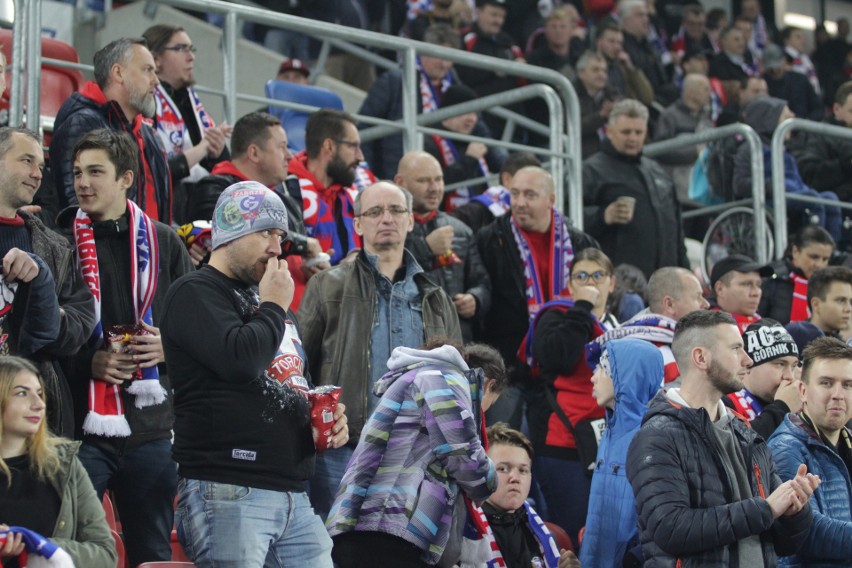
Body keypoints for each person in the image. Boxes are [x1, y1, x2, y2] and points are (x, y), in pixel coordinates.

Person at [160, 181, 348, 568]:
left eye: (280, 236)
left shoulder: (271, 303)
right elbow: (241, 361)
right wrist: (275, 305)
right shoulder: (194, 291)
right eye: (266, 233)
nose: (277, 249)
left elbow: (294, 382)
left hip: (293, 492)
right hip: (228, 485)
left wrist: (325, 421)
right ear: (230, 230)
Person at [59, 129, 193, 567]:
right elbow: (42, 334)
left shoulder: (165, 241)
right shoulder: (60, 241)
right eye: (78, 172)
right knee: (68, 549)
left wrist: (169, 350)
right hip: (80, 429)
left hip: (152, 430)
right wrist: (87, 361)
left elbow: (196, 327)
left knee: (151, 554)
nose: (83, 183)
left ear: (126, 178)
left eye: (96, 171)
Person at [299, 181, 462, 519]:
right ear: (357, 224)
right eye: (374, 212)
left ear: (410, 220)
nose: (386, 218)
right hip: (343, 451)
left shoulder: (436, 296)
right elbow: (299, 370)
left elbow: (455, 379)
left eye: (396, 210)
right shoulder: (326, 285)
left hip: (419, 455)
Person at [627, 310, 818, 565]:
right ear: (701, 357)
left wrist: (794, 512)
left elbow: (783, 544)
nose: (747, 360)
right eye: (736, 348)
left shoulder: (745, 432)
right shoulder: (657, 436)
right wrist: (767, 509)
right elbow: (670, 529)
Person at [326, 340, 502, 568]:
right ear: (487, 386)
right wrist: (490, 482)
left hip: (372, 527)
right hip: (387, 529)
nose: (480, 414)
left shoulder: (418, 376)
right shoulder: (442, 376)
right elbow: (464, 456)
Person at [0, 127, 95, 437]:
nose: (37, 174)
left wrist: (46, 307)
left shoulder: (54, 248)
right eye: (27, 160)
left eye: (41, 165)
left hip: (37, 422)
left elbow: (80, 323)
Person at [522, 247, 618, 547]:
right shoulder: (556, 313)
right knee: (570, 535)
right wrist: (581, 309)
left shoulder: (620, 325)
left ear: (612, 283)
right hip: (562, 444)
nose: (591, 282)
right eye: (582, 276)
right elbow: (557, 357)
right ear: (571, 284)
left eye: (598, 275)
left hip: (607, 447)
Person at [189, 111, 330, 308]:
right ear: (254, 153)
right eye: (282, 147)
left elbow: (290, 259)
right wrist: (304, 244)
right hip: (251, 314)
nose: (290, 156)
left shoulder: (286, 201)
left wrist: (311, 265)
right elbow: (226, 235)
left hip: (298, 319)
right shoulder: (216, 188)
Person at [476, 166, 598, 382]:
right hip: (508, 371)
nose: (520, 202)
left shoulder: (581, 243)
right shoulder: (489, 240)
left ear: (550, 199)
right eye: (514, 194)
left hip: (567, 366)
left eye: (530, 195)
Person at [0, 357, 116, 568]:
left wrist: (44, 548)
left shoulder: (65, 464)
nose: (38, 404)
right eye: (21, 393)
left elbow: (105, 554)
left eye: (39, 393)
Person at [50, 37, 172, 223]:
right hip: (108, 249)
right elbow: (77, 209)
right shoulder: (82, 124)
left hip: (149, 248)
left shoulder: (149, 134)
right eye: (147, 70)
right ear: (118, 73)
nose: (156, 81)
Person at [768, 337, 852, 566]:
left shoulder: (848, 442)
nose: (838, 394)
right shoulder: (785, 447)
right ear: (803, 390)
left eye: (848, 384)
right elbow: (809, 532)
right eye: (826, 383)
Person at [583, 98, 689, 279]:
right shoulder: (590, 170)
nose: (632, 138)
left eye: (638, 132)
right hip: (617, 283)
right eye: (626, 132)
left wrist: (684, 270)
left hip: (664, 282)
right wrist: (602, 216)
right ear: (609, 131)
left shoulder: (657, 171)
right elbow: (567, 220)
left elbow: (676, 231)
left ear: (645, 132)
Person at [581, 338, 663, 568]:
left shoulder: (651, 438)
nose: (593, 376)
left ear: (628, 377)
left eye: (604, 369)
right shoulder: (611, 432)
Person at [396, 151, 491, 342]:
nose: (435, 188)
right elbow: (385, 278)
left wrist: (476, 299)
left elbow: (482, 282)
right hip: (410, 341)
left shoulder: (461, 230)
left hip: (458, 341)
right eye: (424, 181)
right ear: (400, 183)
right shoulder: (389, 228)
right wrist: (426, 248)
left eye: (439, 180)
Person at [142, 24, 232, 223]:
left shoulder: (191, 101)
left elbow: (222, 166)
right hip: (164, 210)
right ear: (156, 59)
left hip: (200, 206)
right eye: (181, 48)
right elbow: (153, 172)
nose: (191, 56)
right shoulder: (144, 101)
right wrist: (202, 149)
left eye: (191, 49)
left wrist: (217, 151)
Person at [359, 24, 462, 180]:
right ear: (423, 51)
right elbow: (366, 127)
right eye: (439, 56)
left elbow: (478, 129)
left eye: (450, 58)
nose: (444, 64)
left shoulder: (456, 88)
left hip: (439, 178)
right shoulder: (395, 81)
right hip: (393, 173)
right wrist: (368, 175)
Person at [733, 97, 842, 244]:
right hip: (769, 200)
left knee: (830, 198)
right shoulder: (750, 148)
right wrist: (773, 185)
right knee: (811, 200)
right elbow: (739, 184)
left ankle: (832, 250)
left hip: (794, 196)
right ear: (768, 120)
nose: (792, 117)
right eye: (785, 116)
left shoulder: (785, 151)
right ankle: (810, 247)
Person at [480, 423, 581, 568]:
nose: (515, 477)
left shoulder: (539, 534)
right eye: (502, 468)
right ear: (481, 472)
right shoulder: (460, 535)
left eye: (523, 470)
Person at [588, 265, 709, 385]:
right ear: (670, 304)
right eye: (698, 297)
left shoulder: (668, 340)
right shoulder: (648, 353)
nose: (706, 304)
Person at [286, 109, 375, 266]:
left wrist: (357, 258)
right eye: (353, 146)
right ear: (329, 146)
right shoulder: (286, 189)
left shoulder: (360, 187)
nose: (360, 157)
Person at [422, 84, 506, 207]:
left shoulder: (475, 140)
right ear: (447, 112)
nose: (471, 118)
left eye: (474, 113)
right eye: (465, 112)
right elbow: (432, 187)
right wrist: (469, 160)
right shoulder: (428, 142)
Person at [456, 0, 526, 138]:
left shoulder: (509, 44)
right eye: (494, 14)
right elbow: (459, 75)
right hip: (477, 117)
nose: (498, 21)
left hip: (512, 120)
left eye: (501, 16)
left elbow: (524, 82)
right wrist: (493, 70)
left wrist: (521, 70)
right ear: (479, 11)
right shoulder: (464, 38)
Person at [725, 320, 802, 440]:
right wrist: (782, 407)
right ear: (748, 365)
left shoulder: (798, 405)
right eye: (780, 364)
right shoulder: (725, 402)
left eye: (793, 366)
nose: (789, 376)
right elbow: (738, 446)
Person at [653, 73, 714, 201]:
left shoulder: (706, 118)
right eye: (706, 89)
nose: (710, 94)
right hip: (676, 191)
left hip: (702, 190)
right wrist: (694, 152)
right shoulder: (670, 116)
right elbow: (660, 151)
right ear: (691, 92)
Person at [791, 80, 852, 203]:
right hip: (838, 205)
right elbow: (809, 175)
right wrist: (846, 164)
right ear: (836, 109)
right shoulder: (819, 135)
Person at [760, 225, 835, 325]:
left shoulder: (830, 287)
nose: (819, 265)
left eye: (825, 259)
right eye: (814, 257)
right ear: (795, 251)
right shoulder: (772, 279)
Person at [451, 151, 541, 234]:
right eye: (529, 181)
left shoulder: (538, 213)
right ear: (507, 179)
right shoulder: (479, 209)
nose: (535, 188)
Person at [619, 0, 678, 105]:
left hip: (661, 95)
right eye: (640, 15)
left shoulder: (648, 44)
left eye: (646, 15)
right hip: (643, 100)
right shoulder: (621, 45)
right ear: (625, 19)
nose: (646, 19)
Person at [786, 266, 852, 354]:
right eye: (840, 301)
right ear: (816, 304)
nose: (849, 309)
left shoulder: (842, 345)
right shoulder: (793, 338)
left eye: (850, 302)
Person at [594, 20, 654, 107]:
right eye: (611, 41)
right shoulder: (590, 67)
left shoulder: (623, 67)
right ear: (599, 43)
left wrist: (631, 69)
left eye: (619, 43)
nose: (617, 47)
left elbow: (647, 97)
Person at [710, 254, 773, 332]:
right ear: (720, 289)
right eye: (747, 284)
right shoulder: (706, 328)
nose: (756, 293)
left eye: (758, 285)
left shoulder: (764, 324)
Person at [573, 51, 618, 159]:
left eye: (604, 71)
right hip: (583, 157)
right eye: (595, 70)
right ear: (581, 73)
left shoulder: (612, 95)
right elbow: (572, 128)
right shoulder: (570, 97)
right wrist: (601, 116)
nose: (601, 75)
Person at [763, 43, 824, 122]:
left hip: (803, 127)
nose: (774, 71)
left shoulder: (800, 80)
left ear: (784, 60)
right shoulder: (762, 84)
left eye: (777, 67)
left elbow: (817, 108)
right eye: (771, 69)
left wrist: (806, 122)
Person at [781, 26, 822, 96]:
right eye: (798, 37)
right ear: (786, 40)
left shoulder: (805, 59)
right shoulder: (782, 58)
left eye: (803, 37)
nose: (803, 41)